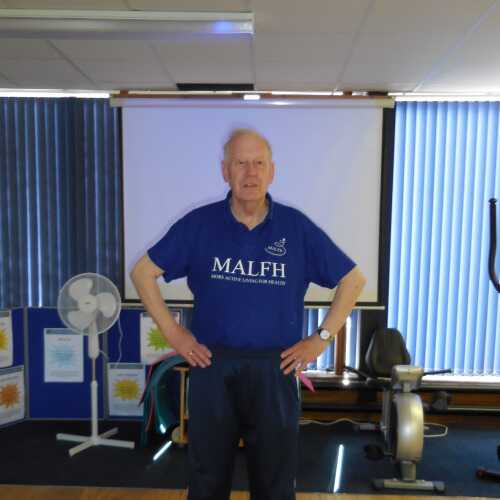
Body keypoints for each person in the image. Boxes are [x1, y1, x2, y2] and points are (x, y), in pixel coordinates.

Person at [131, 128, 366, 500]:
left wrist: (320, 339)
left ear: (272, 171)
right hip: (212, 366)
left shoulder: (296, 227)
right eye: (240, 163)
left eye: (259, 163)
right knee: (207, 479)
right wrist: (174, 333)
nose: (250, 172)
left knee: (274, 484)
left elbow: (353, 280)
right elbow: (142, 273)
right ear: (225, 171)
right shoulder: (199, 224)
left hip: (276, 369)